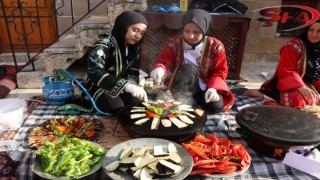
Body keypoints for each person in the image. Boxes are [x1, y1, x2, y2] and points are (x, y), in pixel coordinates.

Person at [150, 9, 234, 114]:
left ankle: (193, 103)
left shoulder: (216, 46)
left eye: (196, 32)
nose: (191, 36)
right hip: (181, 86)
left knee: (215, 107)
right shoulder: (174, 42)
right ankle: (184, 101)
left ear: (205, 30)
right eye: (187, 31)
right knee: (188, 68)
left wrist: (213, 88)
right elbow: (163, 61)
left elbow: (220, 71)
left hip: (205, 87)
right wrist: (160, 68)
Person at [73, 11, 149, 114]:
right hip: (99, 87)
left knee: (138, 104)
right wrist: (126, 86)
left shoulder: (134, 48)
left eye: (142, 33)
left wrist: (133, 86)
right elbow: (95, 72)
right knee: (116, 108)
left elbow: (133, 72)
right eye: (135, 30)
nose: (138, 36)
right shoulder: (104, 45)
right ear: (124, 26)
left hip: (123, 87)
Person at [244, 19, 320, 109]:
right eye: (311, 30)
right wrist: (301, 87)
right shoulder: (294, 46)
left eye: (319, 31)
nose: (314, 34)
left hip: (311, 86)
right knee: (299, 101)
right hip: (292, 85)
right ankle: (264, 94)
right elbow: (286, 69)